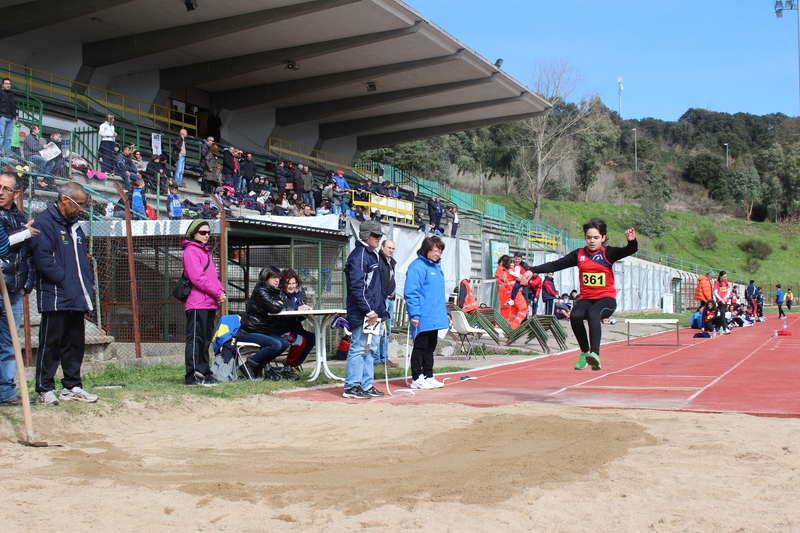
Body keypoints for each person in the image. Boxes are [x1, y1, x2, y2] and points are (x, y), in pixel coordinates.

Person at [528, 218, 638, 371]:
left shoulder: (609, 253)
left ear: (603, 238)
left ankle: (595, 354)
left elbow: (629, 250)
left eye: (596, 237)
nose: (592, 241)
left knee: (594, 313)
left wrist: (632, 242)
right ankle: (585, 353)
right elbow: (556, 265)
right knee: (575, 315)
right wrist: (533, 269)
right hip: (586, 298)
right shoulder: (579, 254)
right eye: (589, 237)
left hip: (606, 299)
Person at [30, 182, 99, 404]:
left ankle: (72, 385)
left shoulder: (76, 226)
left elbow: (81, 261)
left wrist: (84, 285)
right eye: (78, 204)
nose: (81, 208)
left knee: (75, 343)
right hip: (57, 296)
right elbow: (44, 261)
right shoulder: (44, 223)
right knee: (51, 342)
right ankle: (44, 388)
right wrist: (65, 281)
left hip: (78, 295)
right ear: (64, 200)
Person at [342, 220, 389, 399]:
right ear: (365, 236)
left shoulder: (372, 254)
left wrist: (379, 311)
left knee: (371, 348)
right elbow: (357, 287)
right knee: (359, 347)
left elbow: (374, 286)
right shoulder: (359, 255)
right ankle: (352, 386)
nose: (379, 238)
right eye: (375, 235)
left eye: (380, 235)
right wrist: (369, 311)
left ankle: (366, 384)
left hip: (374, 312)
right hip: (363, 312)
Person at [181, 219, 226, 386]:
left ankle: (204, 372)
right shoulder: (191, 251)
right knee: (195, 340)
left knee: (206, 340)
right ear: (194, 233)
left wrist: (221, 292)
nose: (207, 235)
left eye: (208, 233)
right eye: (203, 233)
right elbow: (197, 278)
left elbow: (211, 277)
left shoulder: (204, 251)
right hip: (197, 303)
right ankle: (192, 375)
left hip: (208, 302)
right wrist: (216, 292)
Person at [0, 171, 30, 406]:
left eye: (6, 188)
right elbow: (4, 243)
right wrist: (25, 233)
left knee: (9, 342)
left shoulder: (20, 218)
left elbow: (28, 255)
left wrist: (26, 286)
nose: (0, 192)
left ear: (16, 193)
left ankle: (6, 392)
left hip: (13, 290)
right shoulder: (23, 226)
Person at [405, 236, 449, 390]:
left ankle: (428, 375)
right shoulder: (417, 267)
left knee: (430, 347)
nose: (438, 254)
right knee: (420, 346)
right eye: (435, 250)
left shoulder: (437, 268)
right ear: (427, 249)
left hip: (435, 315)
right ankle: (417, 377)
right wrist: (415, 314)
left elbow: (437, 294)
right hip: (423, 315)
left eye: (440, 251)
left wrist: (445, 314)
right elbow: (411, 292)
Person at [237, 266, 291, 381]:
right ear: (265, 278)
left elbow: (286, 303)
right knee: (275, 344)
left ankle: (258, 364)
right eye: (273, 278)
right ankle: (249, 364)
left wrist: (280, 304)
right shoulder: (260, 290)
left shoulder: (275, 290)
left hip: (263, 330)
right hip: (249, 330)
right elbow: (275, 308)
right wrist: (279, 304)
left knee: (284, 343)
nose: (277, 280)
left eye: (278, 278)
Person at [272, 269, 315, 372]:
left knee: (312, 337)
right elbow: (282, 310)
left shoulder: (297, 296)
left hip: (294, 327)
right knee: (300, 340)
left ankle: (295, 364)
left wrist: (306, 310)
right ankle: (290, 365)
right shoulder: (279, 295)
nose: (291, 286)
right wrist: (297, 309)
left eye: (293, 283)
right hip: (280, 329)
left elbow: (298, 314)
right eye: (288, 284)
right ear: (283, 284)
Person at [373, 239, 398, 368]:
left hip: (391, 299)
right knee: (380, 331)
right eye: (389, 248)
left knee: (387, 331)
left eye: (393, 248)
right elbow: (378, 281)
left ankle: (385, 358)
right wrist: (382, 295)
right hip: (382, 300)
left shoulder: (391, 262)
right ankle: (377, 359)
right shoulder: (378, 260)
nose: (391, 250)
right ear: (382, 247)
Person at [494, 255, 528, 328]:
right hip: (515, 293)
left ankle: (508, 327)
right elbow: (524, 282)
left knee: (512, 312)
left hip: (509, 294)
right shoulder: (511, 270)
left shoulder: (503, 271)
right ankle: (513, 327)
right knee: (523, 309)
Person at [0, 78, 17, 151]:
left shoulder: (11, 94)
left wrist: (16, 115)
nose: (8, 85)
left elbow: (13, 106)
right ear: (2, 84)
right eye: (6, 84)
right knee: (1, 135)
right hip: (2, 116)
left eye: (9, 84)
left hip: (11, 117)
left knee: (9, 137)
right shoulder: (0, 92)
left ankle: (8, 153)